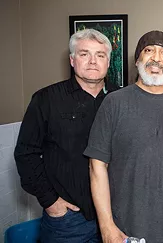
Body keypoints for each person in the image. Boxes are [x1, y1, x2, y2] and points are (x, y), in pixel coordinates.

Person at [84, 30, 163, 243]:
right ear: (137, 60)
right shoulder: (114, 103)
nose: (156, 58)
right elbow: (96, 166)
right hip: (126, 228)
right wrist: (106, 226)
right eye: (148, 50)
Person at [14, 28, 118, 242]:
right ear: (72, 60)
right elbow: (26, 154)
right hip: (68, 221)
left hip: (116, 216)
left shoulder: (121, 99)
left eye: (100, 55)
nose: (92, 61)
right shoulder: (46, 100)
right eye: (84, 54)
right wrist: (51, 202)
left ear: (108, 62)